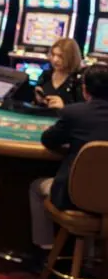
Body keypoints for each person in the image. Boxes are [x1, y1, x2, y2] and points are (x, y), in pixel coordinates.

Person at [28, 63, 108, 251]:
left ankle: (45, 250)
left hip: (74, 197)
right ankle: (90, 257)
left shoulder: (74, 113)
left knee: (36, 187)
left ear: (85, 90)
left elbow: (48, 140)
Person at [33, 37, 83, 110]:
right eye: (53, 55)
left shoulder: (78, 80)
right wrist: (38, 99)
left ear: (71, 57)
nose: (55, 60)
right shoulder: (46, 75)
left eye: (60, 56)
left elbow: (84, 112)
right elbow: (34, 104)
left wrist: (64, 107)